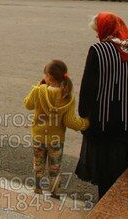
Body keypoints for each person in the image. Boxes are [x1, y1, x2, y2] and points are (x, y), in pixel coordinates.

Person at [76, 12, 128, 199]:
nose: (97, 35)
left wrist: (83, 114)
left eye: (97, 31)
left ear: (105, 29)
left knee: (105, 172)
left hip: (103, 121)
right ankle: (121, 205)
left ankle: (106, 209)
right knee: (123, 169)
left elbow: (88, 87)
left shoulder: (98, 51)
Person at [24, 60, 89, 197]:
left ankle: (37, 189)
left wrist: (37, 87)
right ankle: (55, 192)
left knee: (38, 165)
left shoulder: (39, 91)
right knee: (54, 168)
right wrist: (86, 123)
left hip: (39, 137)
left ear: (48, 76)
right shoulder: (67, 97)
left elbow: (28, 105)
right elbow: (70, 121)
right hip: (56, 139)